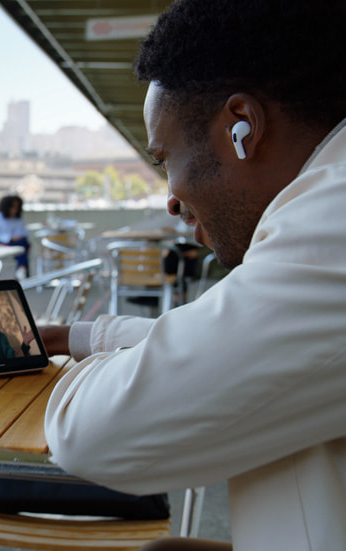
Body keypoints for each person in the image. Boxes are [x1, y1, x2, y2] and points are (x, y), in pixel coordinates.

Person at [39, 1, 346, 550]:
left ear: (242, 128)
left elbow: (95, 436)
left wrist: (41, 378)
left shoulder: (334, 222)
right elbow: (238, 337)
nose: (172, 199)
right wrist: (80, 338)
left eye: (164, 159)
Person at [0, 195, 30, 277]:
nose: (15, 209)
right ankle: (23, 269)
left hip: (18, 242)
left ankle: (22, 269)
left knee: (23, 243)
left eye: (17, 207)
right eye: (13, 207)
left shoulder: (18, 219)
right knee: (22, 246)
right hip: (3, 243)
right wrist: (10, 238)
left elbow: (24, 232)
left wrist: (17, 237)